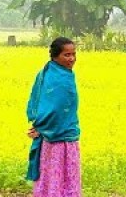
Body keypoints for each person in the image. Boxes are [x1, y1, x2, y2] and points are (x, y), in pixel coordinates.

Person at [26, 36, 82, 196]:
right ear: (55, 55)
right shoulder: (61, 78)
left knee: (50, 177)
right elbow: (54, 108)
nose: (72, 59)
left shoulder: (49, 71)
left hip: (51, 137)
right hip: (60, 139)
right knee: (61, 178)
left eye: (74, 54)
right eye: (67, 55)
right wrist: (41, 127)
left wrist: (39, 126)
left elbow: (41, 102)